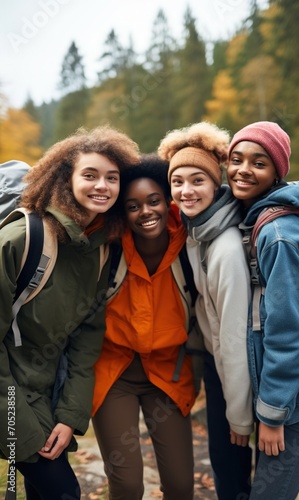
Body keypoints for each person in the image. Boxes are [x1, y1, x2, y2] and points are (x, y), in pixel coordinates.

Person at [0, 126, 140, 500]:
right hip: (9, 391)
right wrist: (20, 421)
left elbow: (85, 341)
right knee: (63, 492)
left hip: (46, 391)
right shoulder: (21, 240)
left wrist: (68, 416)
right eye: (90, 175)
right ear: (66, 179)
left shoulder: (100, 250)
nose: (103, 186)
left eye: (112, 178)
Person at [226, 121, 299, 500]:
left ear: (276, 173)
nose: (243, 169)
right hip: (291, 390)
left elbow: (285, 331)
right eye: (236, 159)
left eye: (259, 163)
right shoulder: (263, 216)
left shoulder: (278, 235)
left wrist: (273, 413)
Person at [92, 154, 197, 500]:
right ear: (123, 212)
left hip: (167, 374)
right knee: (127, 486)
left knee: (181, 486)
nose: (146, 212)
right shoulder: (110, 247)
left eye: (154, 201)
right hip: (114, 374)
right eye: (133, 206)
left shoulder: (191, 245)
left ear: (167, 201)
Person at [158, 121, 254, 500]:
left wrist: (239, 415)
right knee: (225, 471)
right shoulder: (200, 229)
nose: (185, 190)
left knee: (231, 476)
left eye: (197, 180)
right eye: (177, 181)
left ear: (217, 184)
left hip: (236, 374)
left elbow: (233, 336)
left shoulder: (225, 247)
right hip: (222, 369)